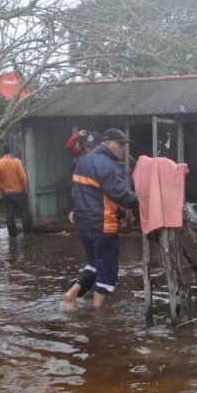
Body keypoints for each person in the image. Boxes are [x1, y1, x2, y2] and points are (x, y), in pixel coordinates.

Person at [63, 128, 138, 309]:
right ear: (107, 142)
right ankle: (98, 315)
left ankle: (72, 292)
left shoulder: (81, 162)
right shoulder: (107, 165)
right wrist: (147, 198)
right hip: (103, 226)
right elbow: (120, 196)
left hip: (83, 225)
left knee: (92, 264)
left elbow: (76, 191)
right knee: (107, 270)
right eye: (120, 144)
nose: (123, 148)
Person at [64, 130, 102, 223]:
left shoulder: (104, 160)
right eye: (88, 146)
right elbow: (69, 146)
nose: (90, 149)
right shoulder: (81, 154)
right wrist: (78, 135)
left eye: (93, 147)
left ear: (99, 146)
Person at [0, 148, 32, 237]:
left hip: (7, 193)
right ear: (11, 151)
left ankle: (12, 236)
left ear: (3, 152)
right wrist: (26, 189)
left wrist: (2, 189)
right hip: (19, 192)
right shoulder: (17, 161)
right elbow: (23, 177)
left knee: (9, 214)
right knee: (24, 212)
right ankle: (27, 235)